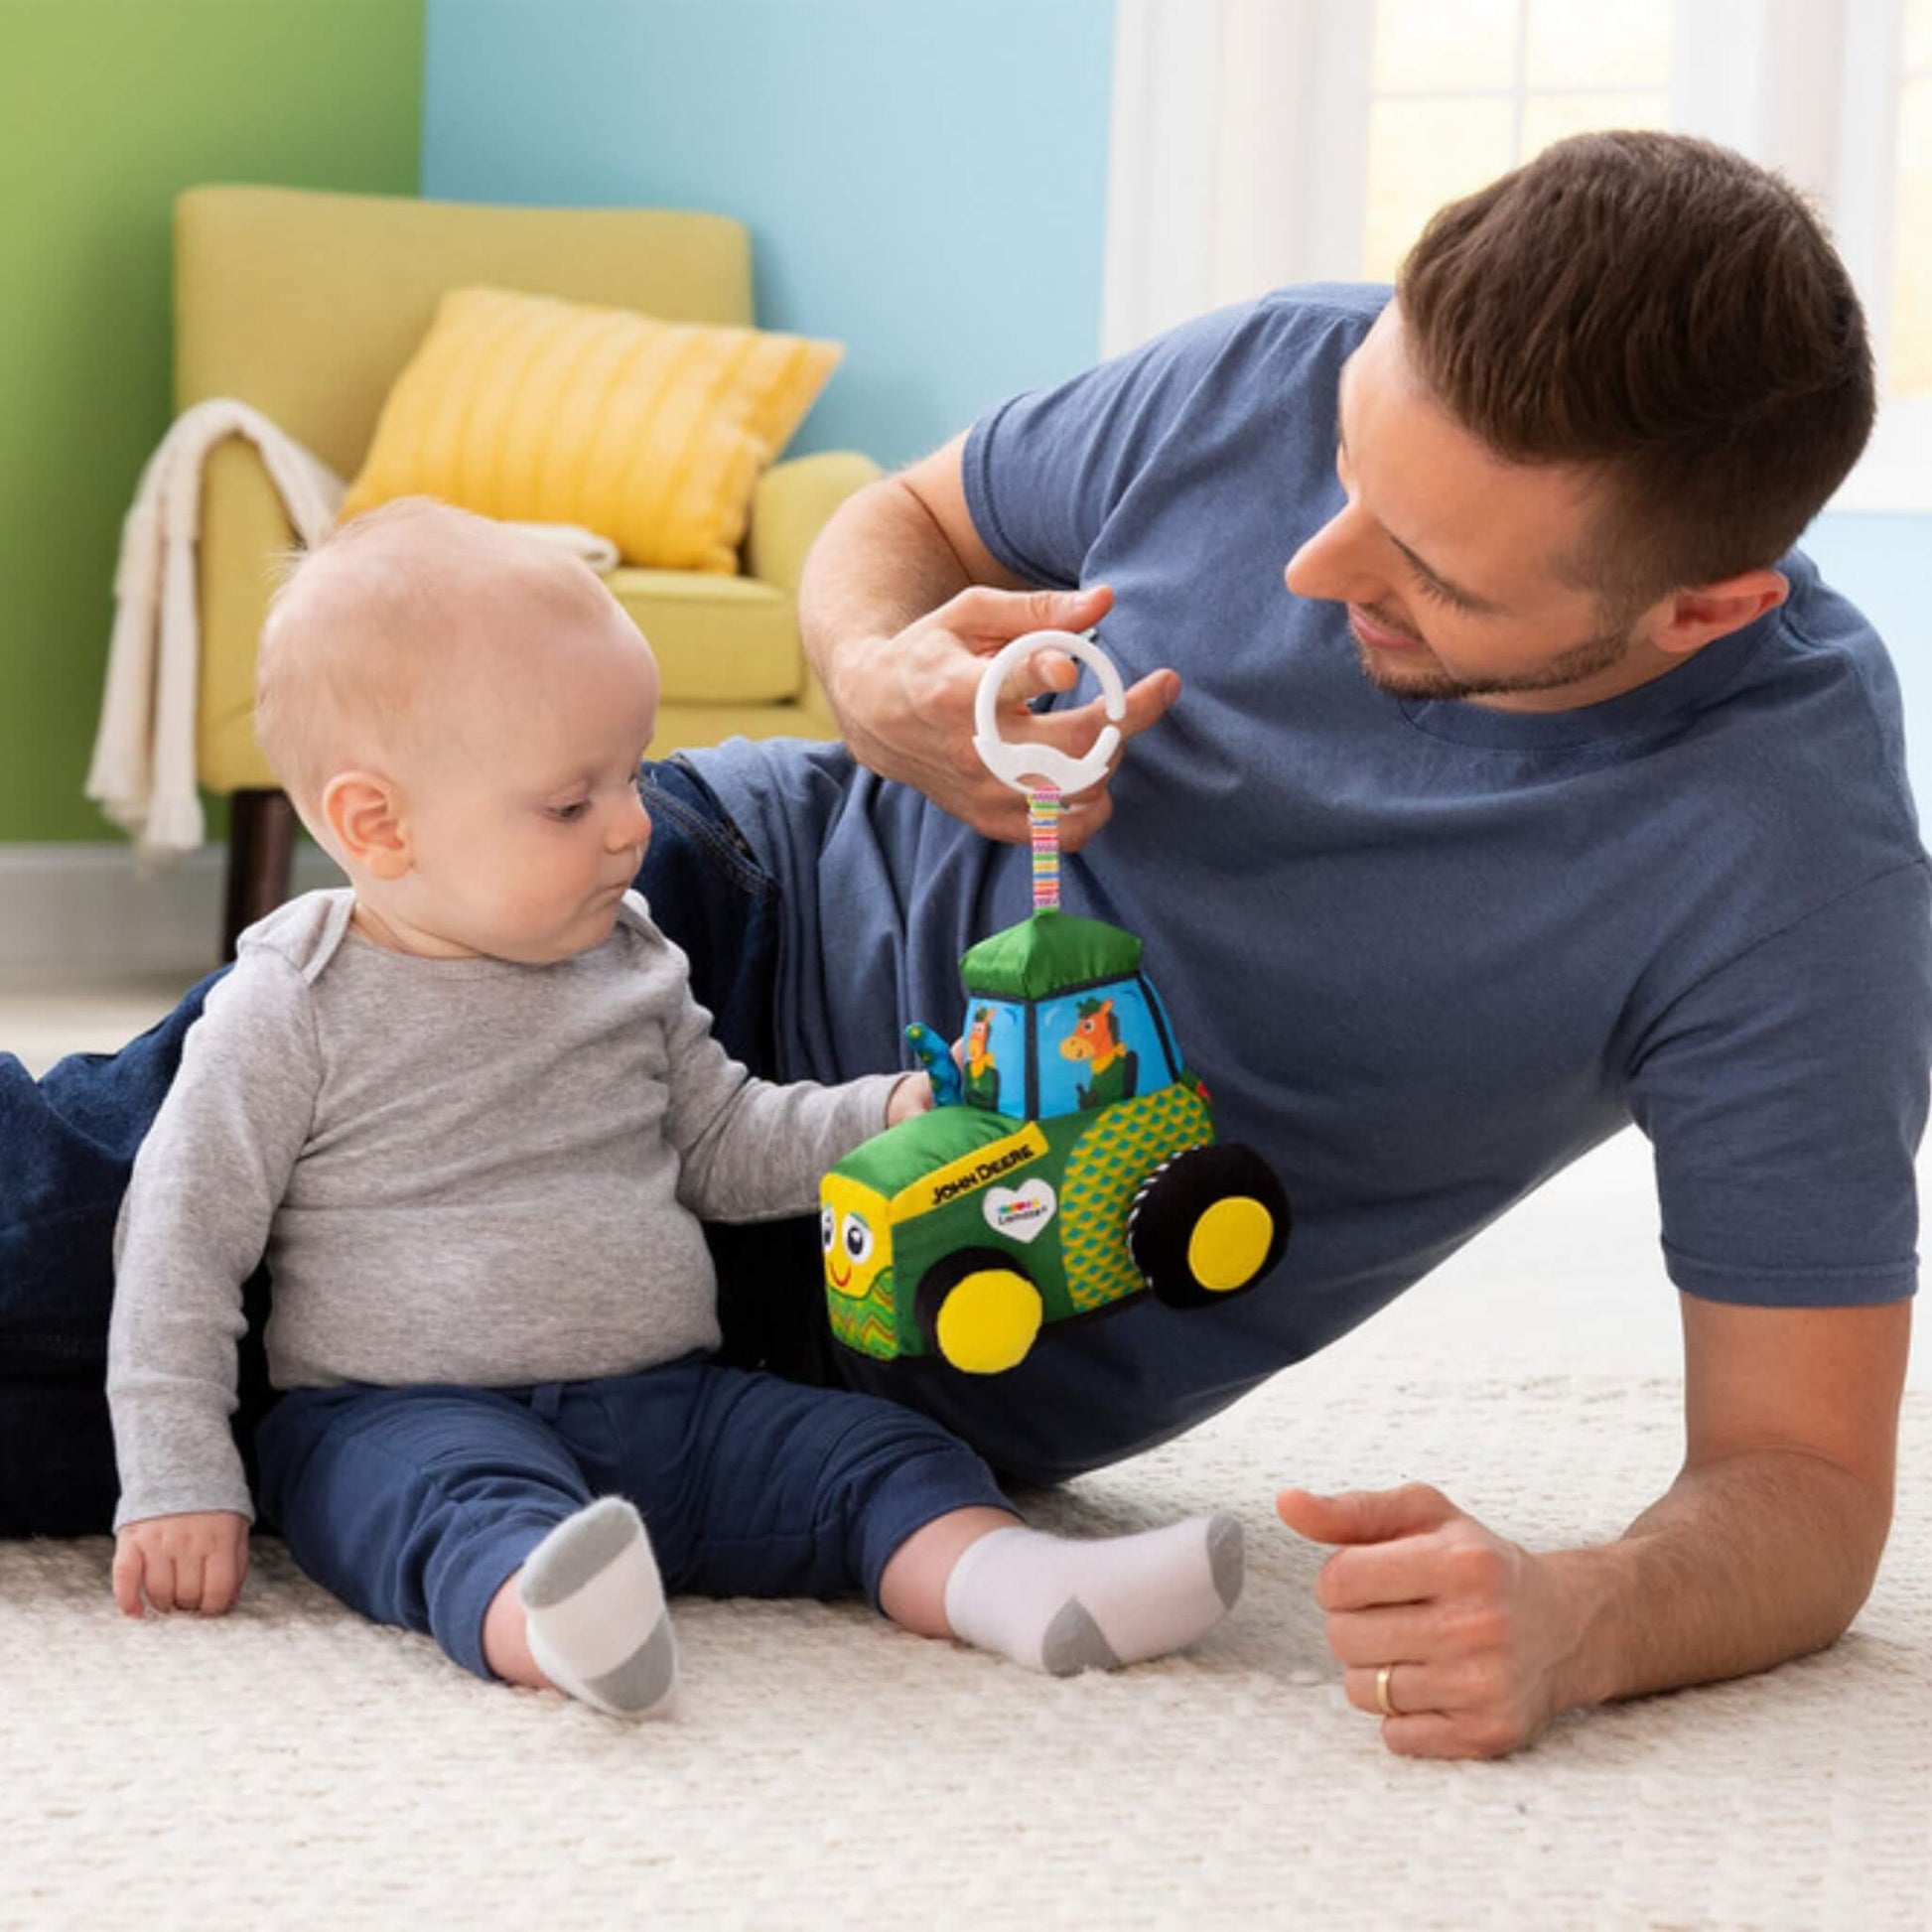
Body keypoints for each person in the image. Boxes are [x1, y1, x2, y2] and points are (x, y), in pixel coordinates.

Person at [0, 130, 1921, 1756]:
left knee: (169, 1440)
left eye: (1428, 574)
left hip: (895, 1317)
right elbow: (908, 520)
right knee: (69, 1229)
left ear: (1705, 607)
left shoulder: (1787, 869)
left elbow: (1807, 1489)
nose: (1319, 563)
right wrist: (878, 673)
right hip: (668, 936)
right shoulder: (1271, 368)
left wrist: (1587, 1621)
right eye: (1346, 469)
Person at [102, 499, 1244, 1719]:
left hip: (670, 1403)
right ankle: (558, 1623)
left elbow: (723, 1141)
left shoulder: (629, 955)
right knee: (443, 1508)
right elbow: (178, 1241)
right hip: (397, 1413)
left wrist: (904, 1107)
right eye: (569, 801)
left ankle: (1021, 1585)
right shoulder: (293, 1003)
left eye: (633, 774)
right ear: (376, 823)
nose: (634, 824)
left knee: (878, 1456)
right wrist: (177, 1474)